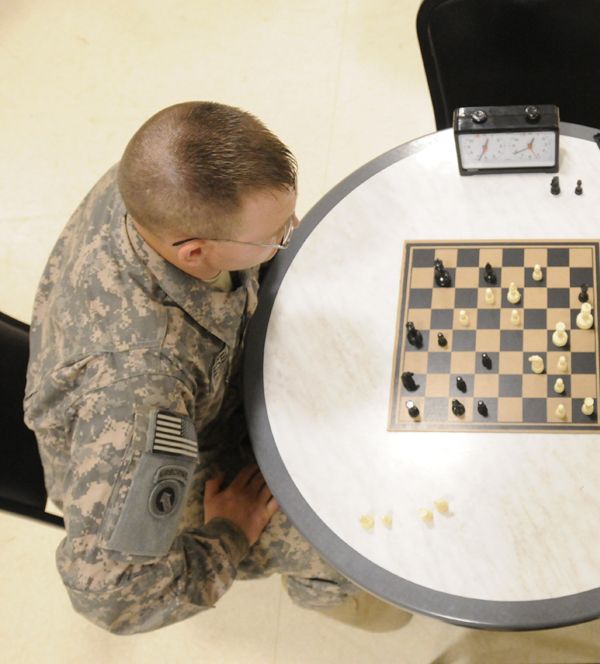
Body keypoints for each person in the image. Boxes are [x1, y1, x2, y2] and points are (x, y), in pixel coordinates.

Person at [24, 102, 410, 633]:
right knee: (350, 533)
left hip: (195, 383)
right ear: (194, 252)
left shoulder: (164, 180)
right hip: (165, 455)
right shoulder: (138, 390)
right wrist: (229, 533)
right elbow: (111, 595)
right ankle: (338, 591)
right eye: (274, 234)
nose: (289, 237)